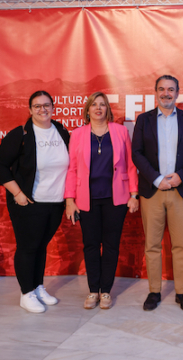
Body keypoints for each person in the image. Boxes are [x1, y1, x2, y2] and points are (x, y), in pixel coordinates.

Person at [132, 75, 183, 312]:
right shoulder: (143, 120)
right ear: (155, 92)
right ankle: (154, 291)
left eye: (170, 89)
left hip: (180, 191)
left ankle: (181, 292)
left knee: (181, 245)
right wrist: (157, 178)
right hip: (153, 191)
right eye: (161, 89)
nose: (166, 93)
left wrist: (181, 176)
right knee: (152, 245)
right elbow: (137, 153)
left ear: (178, 93)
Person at [65, 92, 138, 310]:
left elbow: (131, 165)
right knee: (90, 245)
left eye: (102, 105)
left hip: (116, 199)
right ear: (87, 110)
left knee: (111, 245)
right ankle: (92, 291)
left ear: (108, 109)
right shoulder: (78, 134)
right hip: (87, 200)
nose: (98, 108)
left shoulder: (120, 131)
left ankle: (105, 291)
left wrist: (134, 195)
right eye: (94, 105)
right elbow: (72, 169)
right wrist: (69, 199)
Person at [0, 90, 70, 313]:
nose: (43, 109)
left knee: (41, 246)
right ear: (30, 110)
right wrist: (17, 194)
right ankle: (26, 293)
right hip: (28, 202)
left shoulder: (60, 131)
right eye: (37, 106)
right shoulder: (20, 134)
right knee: (28, 247)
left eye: (46, 105)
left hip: (55, 201)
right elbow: (1, 166)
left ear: (53, 107)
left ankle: (38, 286)